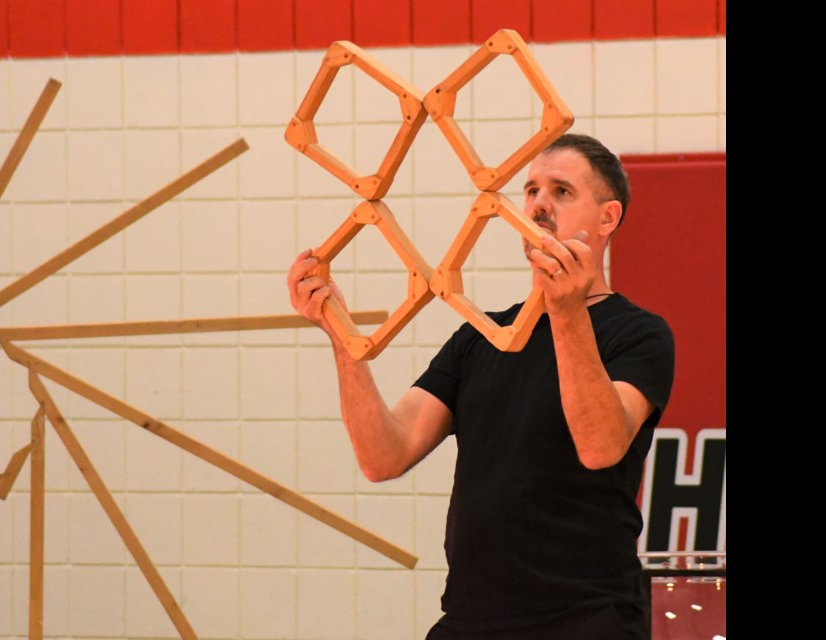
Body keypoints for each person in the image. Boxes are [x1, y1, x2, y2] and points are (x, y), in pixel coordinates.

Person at [287, 133, 674, 640]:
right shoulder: (479, 337)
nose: (538, 205)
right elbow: (383, 455)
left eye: (561, 192)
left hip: (587, 620)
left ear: (607, 218)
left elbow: (600, 445)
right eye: (531, 190)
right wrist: (342, 337)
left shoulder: (639, 333)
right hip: (473, 622)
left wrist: (565, 310)